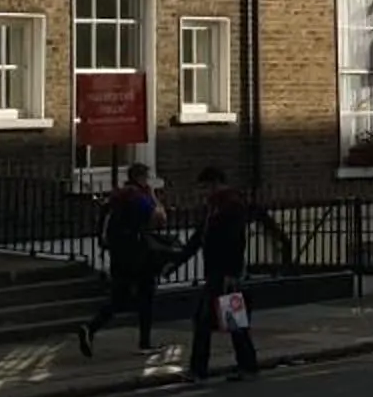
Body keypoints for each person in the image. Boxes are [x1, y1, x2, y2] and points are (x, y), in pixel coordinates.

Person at [167, 167, 284, 384]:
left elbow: (235, 241)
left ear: (216, 183)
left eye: (205, 187)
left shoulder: (231, 206)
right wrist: (175, 264)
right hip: (216, 272)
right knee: (223, 321)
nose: (203, 193)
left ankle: (205, 370)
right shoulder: (216, 207)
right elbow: (198, 238)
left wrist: (232, 272)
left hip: (225, 274)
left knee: (216, 321)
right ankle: (242, 366)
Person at [77, 163, 162, 356]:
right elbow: (158, 218)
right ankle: (145, 343)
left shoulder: (117, 196)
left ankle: (90, 328)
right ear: (140, 178)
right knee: (147, 295)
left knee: (119, 297)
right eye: (146, 177)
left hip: (117, 253)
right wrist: (153, 197)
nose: (147, 181)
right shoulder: (138, 197)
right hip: (137, 252)